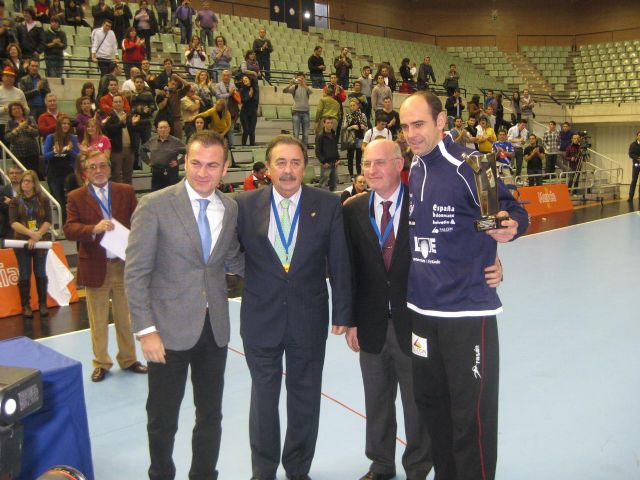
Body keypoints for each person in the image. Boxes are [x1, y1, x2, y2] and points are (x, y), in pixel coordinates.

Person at [399, 91, 528, 480]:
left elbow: (511, 212)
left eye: (418, 124)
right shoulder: (416, 167)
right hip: (422, 312)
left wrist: (509, 229)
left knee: (470, 414)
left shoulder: (471, 165)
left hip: (467, 312)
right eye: (405, 127)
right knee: (432, 405)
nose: (411, 134)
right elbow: (465, 227)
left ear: (441, 122)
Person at [125, 130, 244, 480]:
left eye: (212, 165)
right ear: (184, 162)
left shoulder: (230, 207)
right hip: (166, 330)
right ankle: (161, 473)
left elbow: (232, 259)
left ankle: (204, 474)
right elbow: (136, 273)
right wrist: (146, 331)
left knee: (211, 414)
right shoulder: (155, 205)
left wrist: (285, 269)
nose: (203, 172)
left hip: (214, 328)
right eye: (196, 163)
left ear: (224, 168)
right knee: (163, 417)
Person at [235, 135, 351, 480]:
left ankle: (298, 470)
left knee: (305, 398)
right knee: (263, 401)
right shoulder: (242, 205)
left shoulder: (328, 204)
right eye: (280, 163)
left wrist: (343, 313)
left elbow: (340, 262)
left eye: (295, 163)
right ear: (267, 168)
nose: (288, 171)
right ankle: (263, 472)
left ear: (306, 167)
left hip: (308, 317)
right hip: (260, 318)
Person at [64, 151, 148, 382]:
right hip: (94, 265)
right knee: (98, 319)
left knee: (126, 317)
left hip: (123, 265)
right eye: (93, 167)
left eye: (102, 165)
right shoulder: (76, 197)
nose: (98, 170)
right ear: (85, 172)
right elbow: (69, 230)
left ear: (110, 168)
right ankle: (101, 363)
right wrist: (93, 228)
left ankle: (129, 359)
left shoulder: (125, 191)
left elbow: (139, 221)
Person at [9, 170, 51, 319]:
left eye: (27, 181)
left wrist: (38, 234)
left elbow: (48, 220)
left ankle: (43, 304)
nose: (24, 184)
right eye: (23, 181)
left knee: (41, 272)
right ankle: (26, 305)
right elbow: (13, 223)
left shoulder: (43, 200)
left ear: (34, 183)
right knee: (25, 273)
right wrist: (31, 234)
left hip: (41, 242)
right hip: (22, 242)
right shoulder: (15, 201)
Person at [43, 115, 79, 221]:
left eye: (68, 124)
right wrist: (55, 152)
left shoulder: (73, 138)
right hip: (54, 173)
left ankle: (71, 223)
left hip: (68, 173)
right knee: (60, 201)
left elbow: (77, 156)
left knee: (71, 200)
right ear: (59, 125)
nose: (66, 126)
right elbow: (45, 156)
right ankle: (63, 225)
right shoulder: (51, 137)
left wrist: (70, 150)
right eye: (64, 123)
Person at [140, 120, 186, 191]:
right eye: (161, 128)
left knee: (171, 194)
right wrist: (148, 162)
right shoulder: (152, 140)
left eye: (165, 127)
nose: (163, 129)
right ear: (157, 130)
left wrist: (178, 162)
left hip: (171, 173)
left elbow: (189, 152)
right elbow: (142, 149)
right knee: (155, 194)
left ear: (169, 129)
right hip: (156, 172)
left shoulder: (176, 141)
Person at [100, 94, 132, 183]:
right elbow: (109, 130)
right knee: (116, 175)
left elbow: (133, 130)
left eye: (120, 101)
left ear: (123, 103)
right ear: (112, 104)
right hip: (116, 150)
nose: (118, 103)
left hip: (129, 148)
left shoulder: (128, 115)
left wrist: (133, 124)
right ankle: (118, 196)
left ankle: (128, 195)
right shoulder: (109, 116)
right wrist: (121, 123)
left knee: (128, 175)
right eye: (115, 102)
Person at [127, 75, 156, 168]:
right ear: (134, 83)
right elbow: (128, 109)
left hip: (146, 124)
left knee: (146, 146)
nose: (139, 84)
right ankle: (135, 166)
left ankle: (147, 166)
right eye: (137, 82)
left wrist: (149, 110)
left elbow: (153, 106)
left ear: (143, 84)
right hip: (135, 125)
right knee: (135, 147)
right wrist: (137, 110)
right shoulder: (130, 95)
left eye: (141, 82)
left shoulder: (148, 94)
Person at [5, 102, 39, 174]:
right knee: (20, 173)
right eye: (14, 109)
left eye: (18, 108)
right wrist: (18, 128)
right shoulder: (9, 122)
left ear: (22, 110)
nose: (16, 110)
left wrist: (27, 127)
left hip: (32, 152)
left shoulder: (30, 119)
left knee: (33, 173)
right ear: (11, 112)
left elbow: (36, 133)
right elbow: (7, 138)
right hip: (17, 153)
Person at [283, 72, 312, 148]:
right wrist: (290, 84)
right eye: (299, 78)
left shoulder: (307, 87)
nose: (301, 80)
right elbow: (284, 91)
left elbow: (311, 92)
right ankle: (296, 149)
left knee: (305, 134)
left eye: (302, 78)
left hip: (306, 112)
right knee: (296, 133)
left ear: (305, 79)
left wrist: (304, 85)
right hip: (296, 112)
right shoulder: (295, 87)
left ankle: (304, 151)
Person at [0, 65, 29, 142]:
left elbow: (27, 110)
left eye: (12, 77)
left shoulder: (20, 92)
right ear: (2, 77)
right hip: (2, 124)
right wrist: (5, 109)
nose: (9, 78)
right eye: (7, 76)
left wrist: (21, 109)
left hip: (17, 124)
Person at [344, 98, 368, 177]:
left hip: (360, 138)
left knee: (359, 158)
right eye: (351, 106)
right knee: (350, 158)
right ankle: (351, 175)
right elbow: (345, 128)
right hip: (351, 139)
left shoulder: (363, 115)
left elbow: (367, 128)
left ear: (357, 106)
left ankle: (358, 175)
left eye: (354, 105)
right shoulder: (348, 116)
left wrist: (363, 127)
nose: (352, 107)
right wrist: (352, 127)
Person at [315, 117, 340, 192]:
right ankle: (321, 202)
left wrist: (338, 159)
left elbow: (335, 148)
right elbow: (317, 151)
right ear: (324, 124)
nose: (330, 124)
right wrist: (323, 162)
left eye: (331, 123)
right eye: (328, 123)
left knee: (334, 183)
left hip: (334, 163)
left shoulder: (333, 134)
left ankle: (333, 201)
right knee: (323, 184)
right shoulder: (320, 136)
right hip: (326, 163)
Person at [1, 164, 21, 238]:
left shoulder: (27, 190)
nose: (14, 175)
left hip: (25, 225)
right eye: (11, 173)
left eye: (17, 173)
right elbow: (2, 207)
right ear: (8, 175)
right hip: (8, 228)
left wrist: (11, 202)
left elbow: (29, 206)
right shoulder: (3, 190)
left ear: (22, 175)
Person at [238, 75, 259, 146]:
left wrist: (252, 95)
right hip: (244, 112)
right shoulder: (242, 90)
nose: (244, 80)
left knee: (252, 131)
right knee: (246, 130)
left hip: (253, 112)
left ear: (250, 80)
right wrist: (249, 96)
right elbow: (242, 101)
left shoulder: (255, 89)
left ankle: (252, 146)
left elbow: (256, 100)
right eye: (243, 80)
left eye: (246, 78)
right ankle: (243, 146)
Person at [628, 130, 640, 202]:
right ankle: (630, 196)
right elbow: (630, 154)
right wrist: (637, 158)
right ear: (637, 136)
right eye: (639, 135)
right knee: (634, 180)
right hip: (636, 164)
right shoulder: (633, 144)